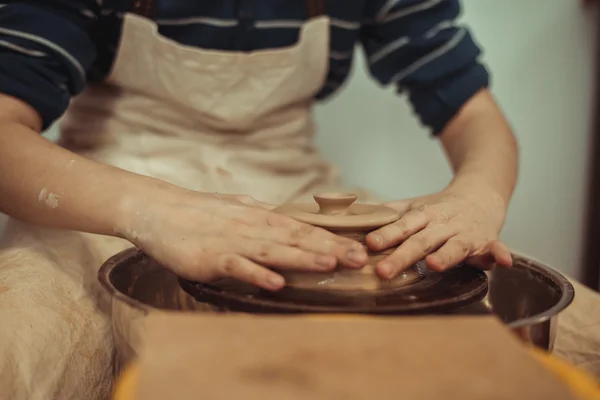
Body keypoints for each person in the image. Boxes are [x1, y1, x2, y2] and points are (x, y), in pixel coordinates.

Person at [0, 0, 527, 398]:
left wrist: (477, 196)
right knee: (20, 347)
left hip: (294, 186)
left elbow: (473, 113)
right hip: (107, 193)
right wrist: (149, 210)